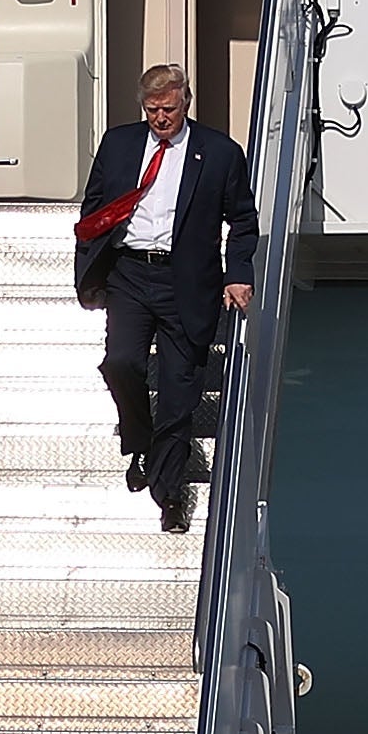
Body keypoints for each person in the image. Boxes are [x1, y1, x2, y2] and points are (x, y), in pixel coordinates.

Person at [74, 63, 258, 533]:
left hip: (187, 282)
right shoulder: (119, 144)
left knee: (178, 398)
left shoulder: (218, 153)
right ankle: (139, 436)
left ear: (186, 104)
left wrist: (237, 276)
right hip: (130, 274)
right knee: (121, 363)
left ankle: (169, 496)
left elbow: (242, 220)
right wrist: (89, 271)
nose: (161, 119)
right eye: (153, 110)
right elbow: (93, 209)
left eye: (169, 110)